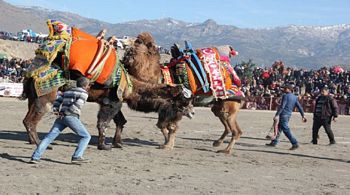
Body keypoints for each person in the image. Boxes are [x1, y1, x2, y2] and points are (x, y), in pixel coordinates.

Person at [30, 77, 91, 164]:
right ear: (85, 85)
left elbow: (57, 101)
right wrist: (65, 113)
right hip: (70, 116)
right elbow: (77, 105)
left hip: (60, 117)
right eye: (88, 85)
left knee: (49, 137)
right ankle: (77, 156)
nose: (89, 87)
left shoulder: (67, 91)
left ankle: (35, 157)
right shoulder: (84, 93)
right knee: (86, 136)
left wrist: (56, 112)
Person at [266, 84, 307, 150]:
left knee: (286, 130)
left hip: (283, 114)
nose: (284, 90)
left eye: (285, 88)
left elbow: (282, 106)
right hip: (288, 115)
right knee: (279, 128)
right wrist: (303, 115)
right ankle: (274, 142)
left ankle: (295, 143)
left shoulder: (285, 96)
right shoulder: (294, 97)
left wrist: (277, 115)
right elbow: (299, 107)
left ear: (289, 89)